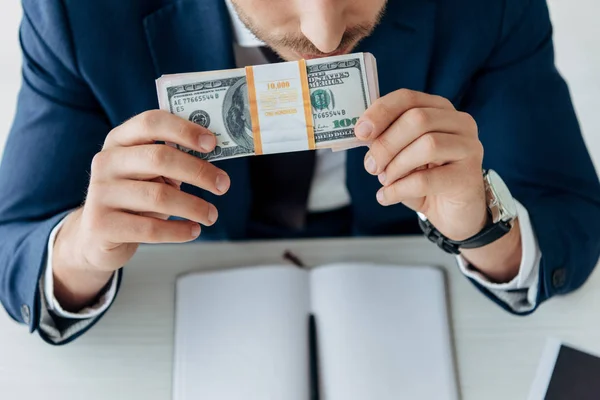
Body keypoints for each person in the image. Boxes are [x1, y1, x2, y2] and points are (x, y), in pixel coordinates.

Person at [0, 0, 598, 345]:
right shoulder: (75, 13)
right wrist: (79, 251)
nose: (325, 33)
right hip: (191, 295)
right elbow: (15, 242)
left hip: (407, 284)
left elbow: (570, 221)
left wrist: (481, 227)